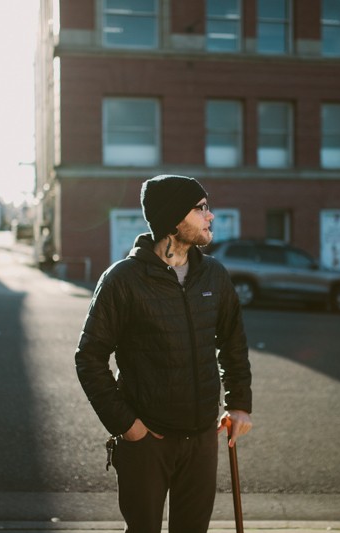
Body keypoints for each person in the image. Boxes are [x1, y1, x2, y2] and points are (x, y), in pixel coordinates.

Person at [75, 174, 253, 533]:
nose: (210, 216)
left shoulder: (214, 276)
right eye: (201, 208)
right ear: (173, 219)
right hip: (147, 440)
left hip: (202, 437)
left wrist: (239, 403)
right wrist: (127, 426)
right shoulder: (122, 280)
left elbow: (232, 342)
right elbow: (89, 357)